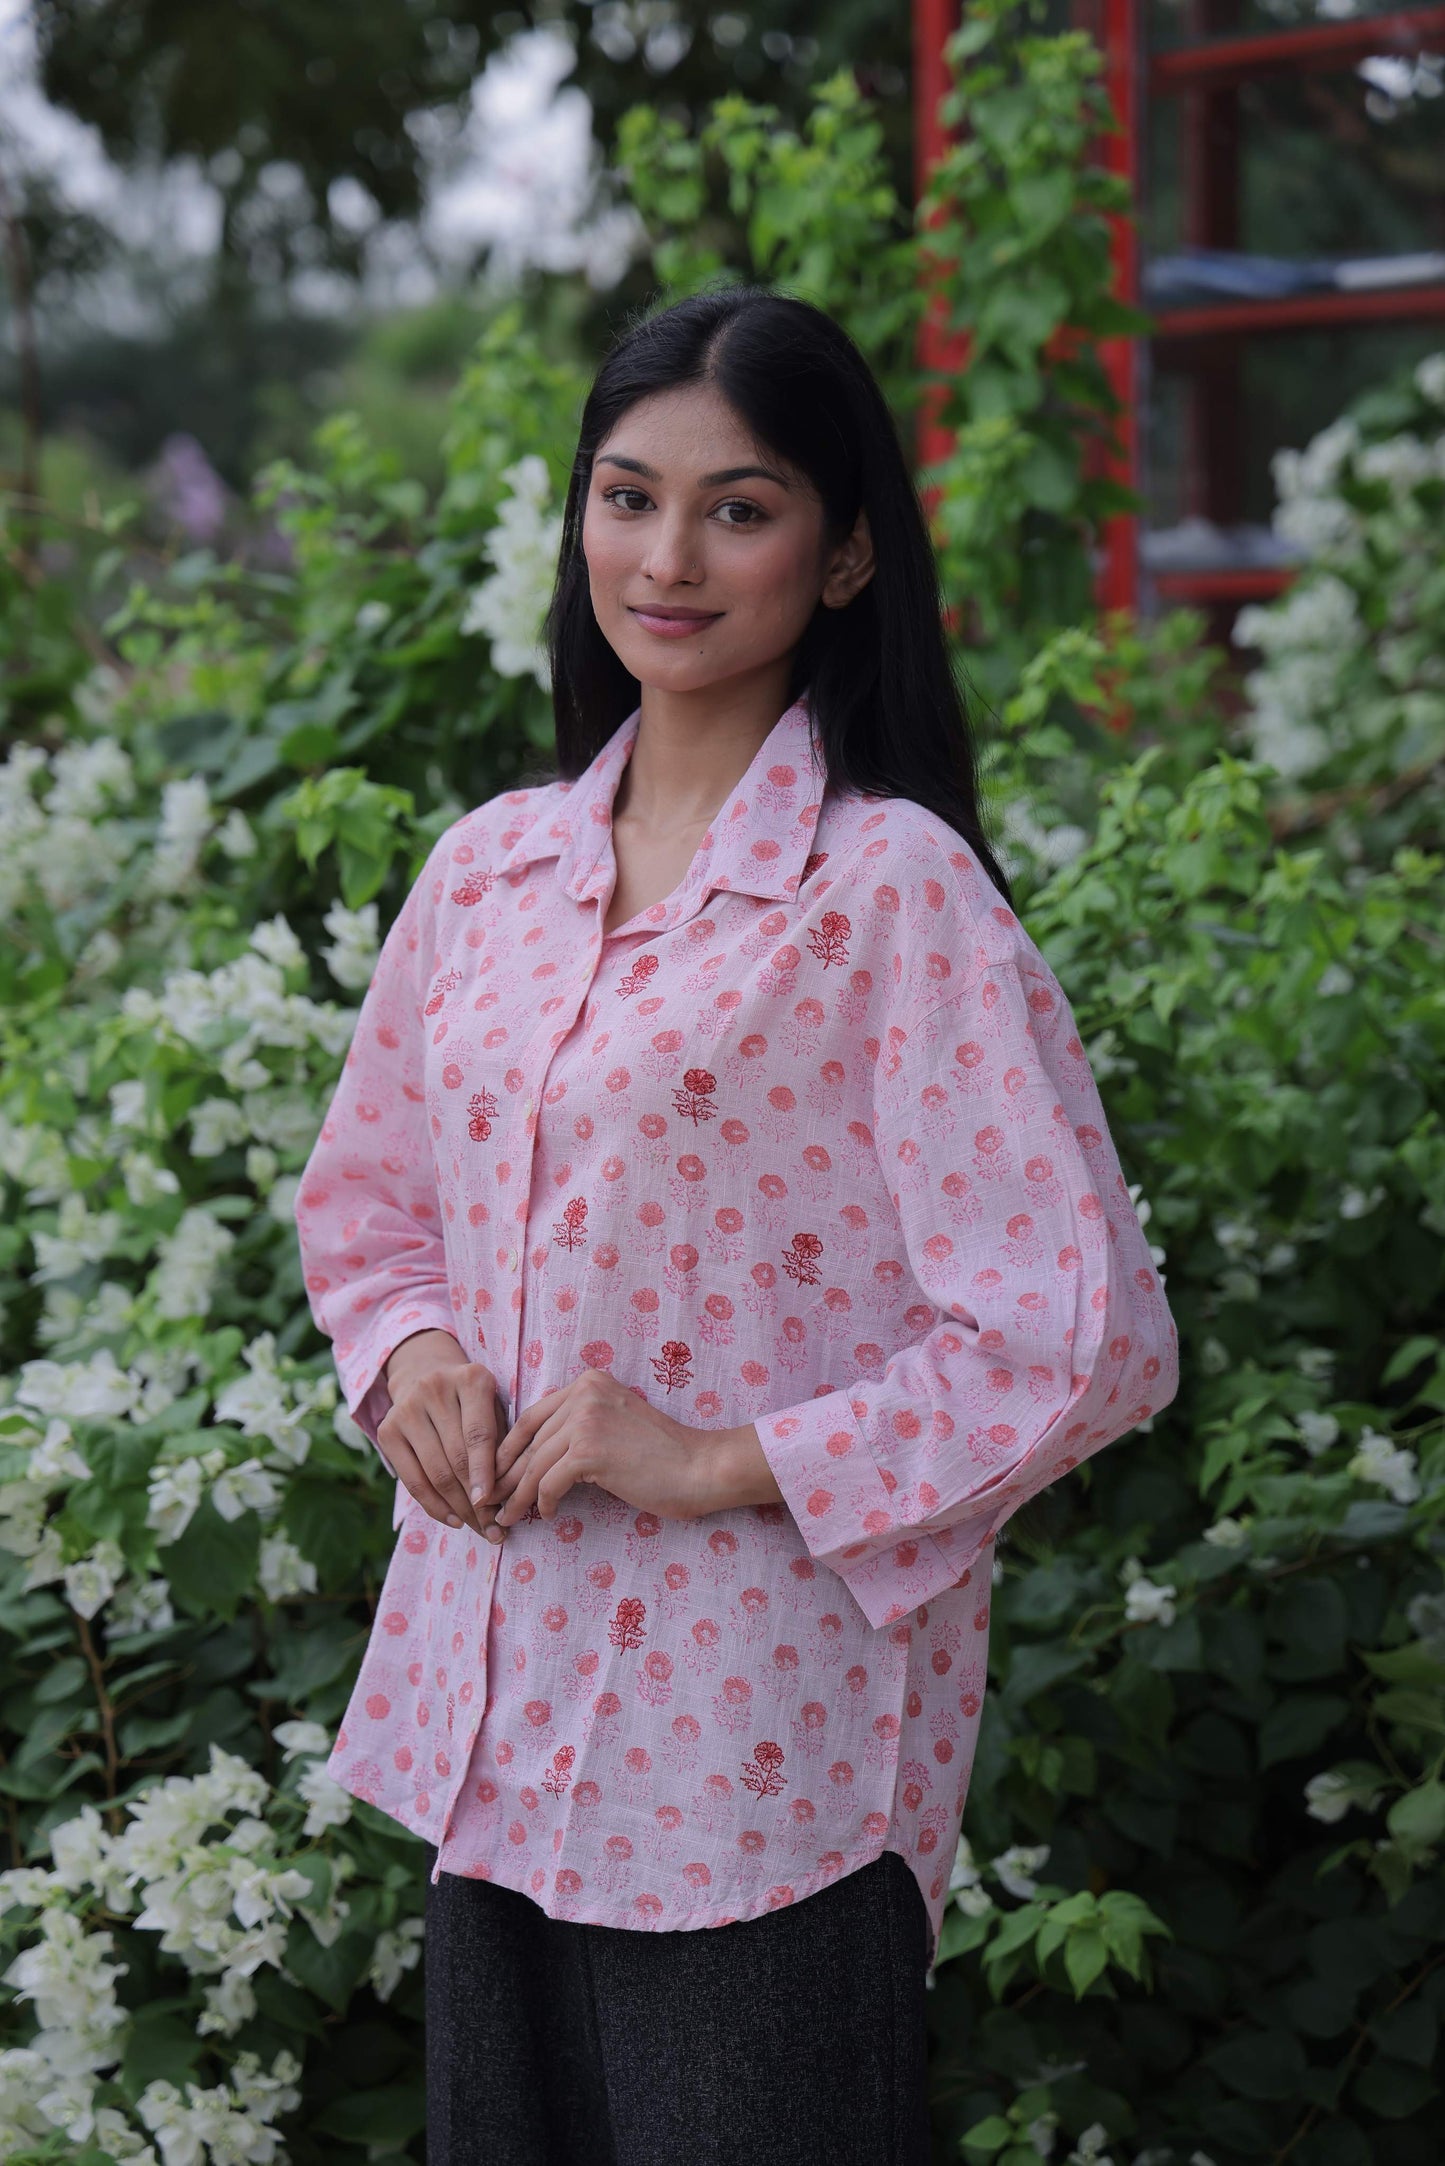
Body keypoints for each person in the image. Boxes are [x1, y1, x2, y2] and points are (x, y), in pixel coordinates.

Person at [293, 285, 1179, 2166]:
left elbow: (1081, 1334)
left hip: (748, 1768)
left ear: (846, 549)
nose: (666, 557)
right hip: (497, 1730)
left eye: (739, 506)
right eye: (626, 497)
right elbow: (369, 1211)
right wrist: (412, 1355)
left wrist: (709, 1457)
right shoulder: (488, 874)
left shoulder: (890, 894)